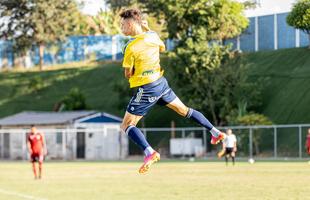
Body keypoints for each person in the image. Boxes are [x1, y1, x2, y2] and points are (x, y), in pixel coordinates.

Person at [119, 8, 226, 174]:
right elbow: (162, 47)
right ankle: (215, 131)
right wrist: (148, 30)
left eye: (123, 24)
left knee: (127, 125)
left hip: (147, 88)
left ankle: (150, 152)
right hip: (161, 84)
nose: (121, 27)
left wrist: (135, 71)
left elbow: (127, 73)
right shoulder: (153, 36)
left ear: (132, 23)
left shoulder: (130, 46)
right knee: (184, 111)